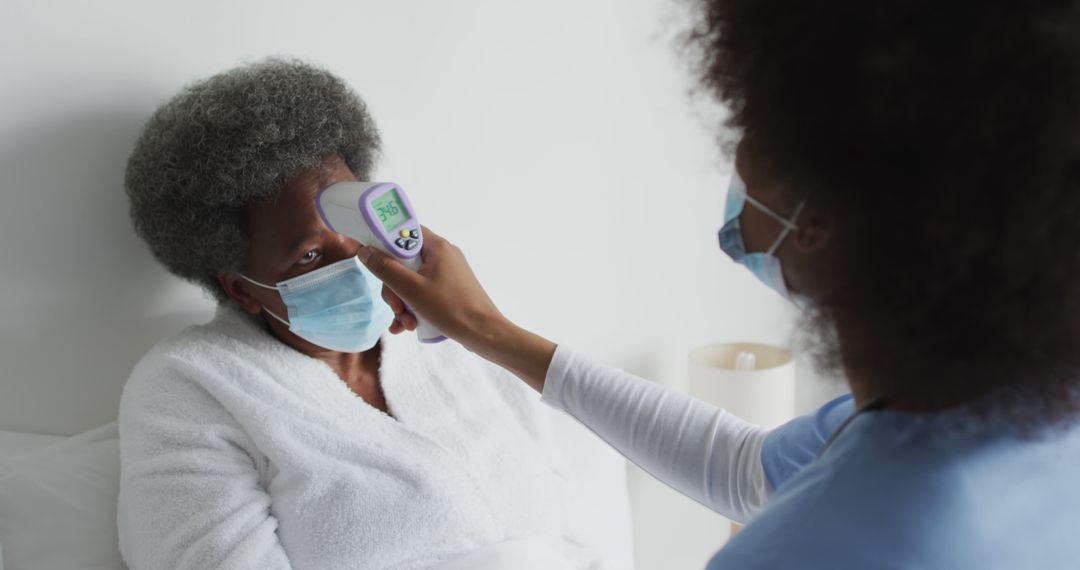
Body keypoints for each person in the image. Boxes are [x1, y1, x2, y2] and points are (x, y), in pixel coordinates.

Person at [359, 1, 1080, 568]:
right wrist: (488, 330)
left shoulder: (798, 553)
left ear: (820, 221)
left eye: (762, 129)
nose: (738, 151)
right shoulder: (1013, 413)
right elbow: (748, 468)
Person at [117, 58, 608, 569]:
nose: (357, 262)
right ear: (240, 289)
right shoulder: (191, 387)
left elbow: (578, 538)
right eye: (309, 256)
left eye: (356, 227)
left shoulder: (458, 342)